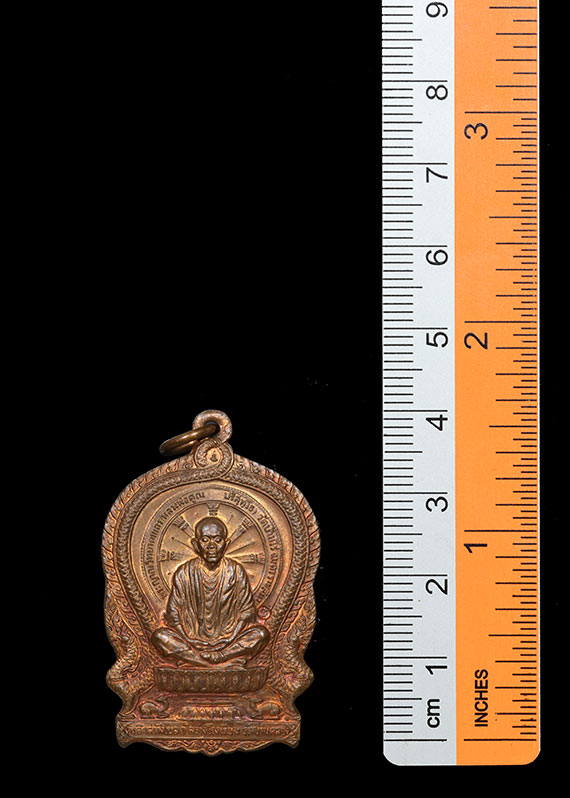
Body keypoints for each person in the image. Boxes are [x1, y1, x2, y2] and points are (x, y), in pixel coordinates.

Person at [151, 516, 269, 666]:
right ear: (195, 544)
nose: (211, 546)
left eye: (218, 540)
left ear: (226, 544)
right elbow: (174, 614)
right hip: (190, 641)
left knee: (261, 634)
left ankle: (219, 657)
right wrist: (188, 639)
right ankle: (207, 663)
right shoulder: (184, 573)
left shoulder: (235, 571)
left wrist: (230, 638)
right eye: (205, 540)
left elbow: (247, 612)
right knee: (160, 636)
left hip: (230, 641)